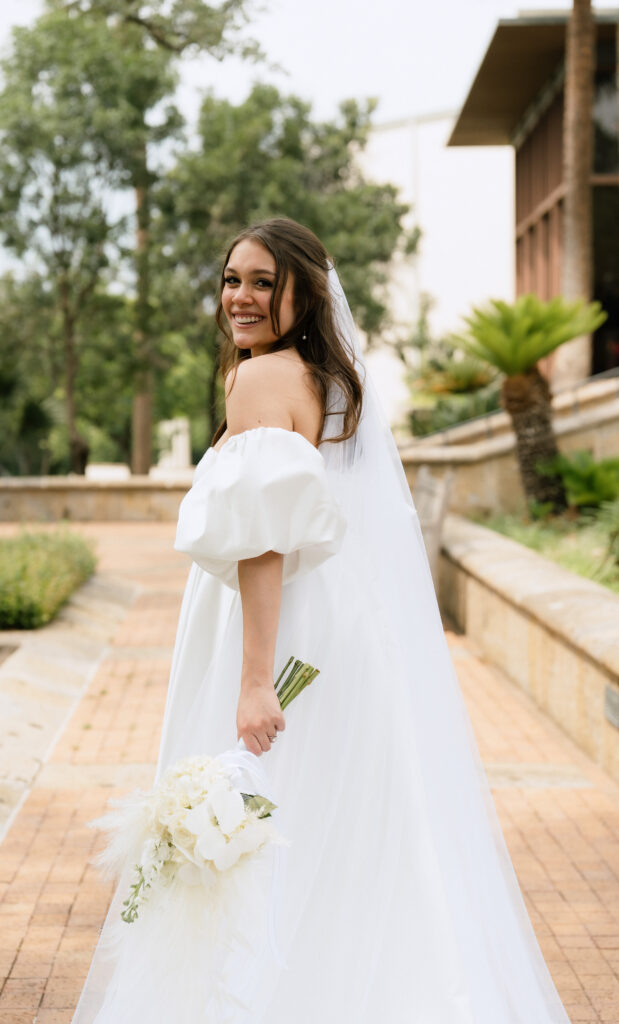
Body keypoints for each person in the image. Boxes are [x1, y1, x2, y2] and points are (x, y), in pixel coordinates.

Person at [72, 218, 571, 1023]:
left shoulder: (261, 379)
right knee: (340, 829)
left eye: (263, 282)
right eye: (232, 278)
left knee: (271, 823)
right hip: (336, 625)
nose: (240, 296)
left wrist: (253, 680)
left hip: (281, 632)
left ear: (303, 293)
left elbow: (265, 543)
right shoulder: (320, 379)